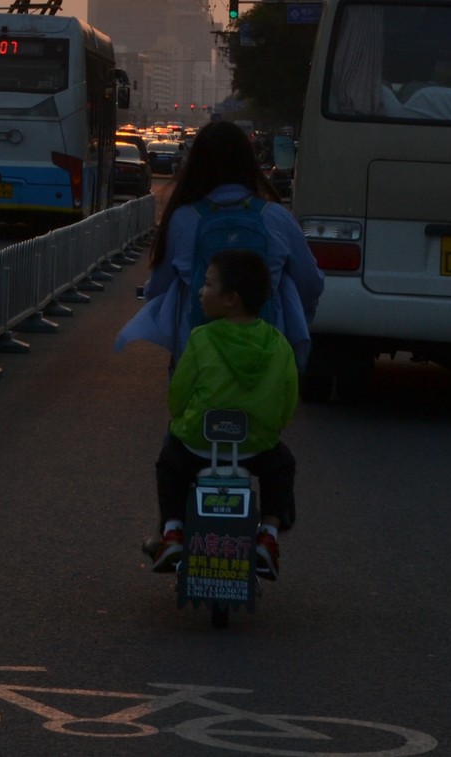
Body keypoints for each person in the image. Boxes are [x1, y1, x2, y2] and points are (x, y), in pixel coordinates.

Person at [115, 121, 324, 370]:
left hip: (199, 363)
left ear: (196, 166)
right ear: (249, 163)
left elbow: (159, 288)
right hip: (265, 363)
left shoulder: (183, 218)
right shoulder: (276, 217)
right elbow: (311, 284)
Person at [146, 248, 298, 576]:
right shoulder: (278, 344)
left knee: (169, 462)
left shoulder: (201, 339)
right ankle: (268, 536)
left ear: (230, 299)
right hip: (255, 448)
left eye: (208, 285)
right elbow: (288, 402)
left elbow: (179, 396)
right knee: (282, 466)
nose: (201, 291)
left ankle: (172, 532)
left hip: (198, 446)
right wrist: (270, 430)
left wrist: (181, 419)